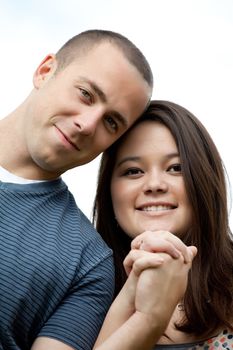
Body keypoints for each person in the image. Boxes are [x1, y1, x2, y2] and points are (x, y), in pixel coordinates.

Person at [0, 29, 154, 350]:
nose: (88, 123)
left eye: (111, 122)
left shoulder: (88, 263)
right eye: (86, 94)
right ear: (45, 72)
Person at [93, 100, 233, 349]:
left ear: (205, 180)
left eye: (176, 168)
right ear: (109, 190)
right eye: (133, 171)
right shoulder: (80, 294)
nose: (154, 184)